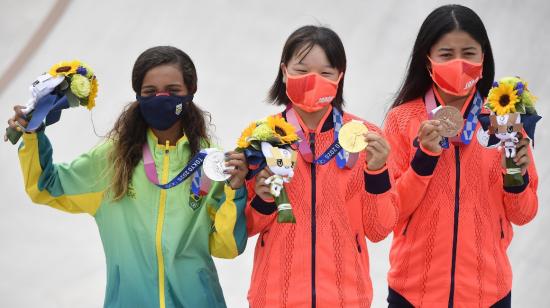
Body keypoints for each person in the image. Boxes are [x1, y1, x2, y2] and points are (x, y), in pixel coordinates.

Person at [6, 46, 248, 308]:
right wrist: (33, 134)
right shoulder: (113, 159)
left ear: (191, 91)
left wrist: (236, 191)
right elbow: (46, 186)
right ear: (138, 95)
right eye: (150, 92)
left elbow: (227, 247)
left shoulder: (208, 162)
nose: (161, 98)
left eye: (173, 91)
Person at [384, 5, 539, 307]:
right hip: (412, 294)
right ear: (427, 60)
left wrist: (517, 180)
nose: (459, 63)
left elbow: (524, 213)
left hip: (488, 294)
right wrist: (423, 159)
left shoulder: (504, 119)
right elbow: (388, 213)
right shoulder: (403, 120)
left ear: (483, 58)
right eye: (446, 54)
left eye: (469, 53)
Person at [246, 25, 398, 307]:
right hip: (275, 297)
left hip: (346, 298)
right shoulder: (262, 138)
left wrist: (377, 172)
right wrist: (265, 199)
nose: (313, 81)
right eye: (302, 71)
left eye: (325, 73)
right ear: (284, 71)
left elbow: (379, 230)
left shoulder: (365, 136)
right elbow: (247, 228)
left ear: (340, 77)